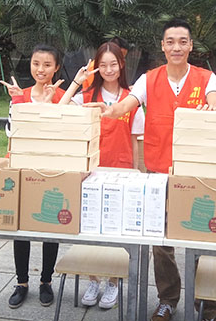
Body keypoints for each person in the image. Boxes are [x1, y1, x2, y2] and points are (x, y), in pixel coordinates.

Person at [85, 18, 216, 321]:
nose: (176, 47)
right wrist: (110, 110)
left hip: (196, 172)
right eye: (170, 41)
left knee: (201, 237)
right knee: (161, 243)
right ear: (162, 46)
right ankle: (167, 300)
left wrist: (213, 109)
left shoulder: (206, 78)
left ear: (191, 46)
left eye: (182, 41)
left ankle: (208, 305)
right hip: (158, 171)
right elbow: (127, 104)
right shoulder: (149, 79)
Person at [59, 41, 145, 309]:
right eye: (103, 65)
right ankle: (93, 279)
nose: (108, 70)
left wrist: (138, 174)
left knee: (117, 232)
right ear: (96, 67)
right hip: (90, 174)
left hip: (121, 172)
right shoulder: (87, 96)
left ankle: (113, 282)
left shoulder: (131, 99)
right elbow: (60, 108)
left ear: (122, 65)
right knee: (90, 229)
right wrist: (77, 81)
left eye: (113, 64)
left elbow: (136, 140)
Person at [0, 44, 65, 309]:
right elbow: (11, 132)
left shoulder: (64, 97)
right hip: (22, 168)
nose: (41, 69)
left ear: (56, 68)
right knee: (21, 227)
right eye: (36, 63)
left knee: (50, 225)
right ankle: (22, 282)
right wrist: (18, 102)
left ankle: (46, 281)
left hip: (52, 169)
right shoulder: (20, 94)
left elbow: (60, 133)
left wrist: (49, 104)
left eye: (47, 65)